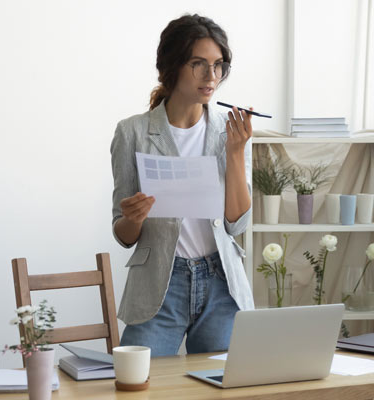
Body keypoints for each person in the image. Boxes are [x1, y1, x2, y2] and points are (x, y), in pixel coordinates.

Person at [109, 14, 255, 357]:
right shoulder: (131, 132)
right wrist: (134, 217)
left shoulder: (230, 130)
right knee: (136, 385)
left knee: (224, 387)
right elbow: (124, 234)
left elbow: (237, 224)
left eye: (218, 65)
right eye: (199, 64)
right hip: (161, 282)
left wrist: (235, 153)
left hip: (222, 284)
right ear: (171, 66)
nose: (212, 77)